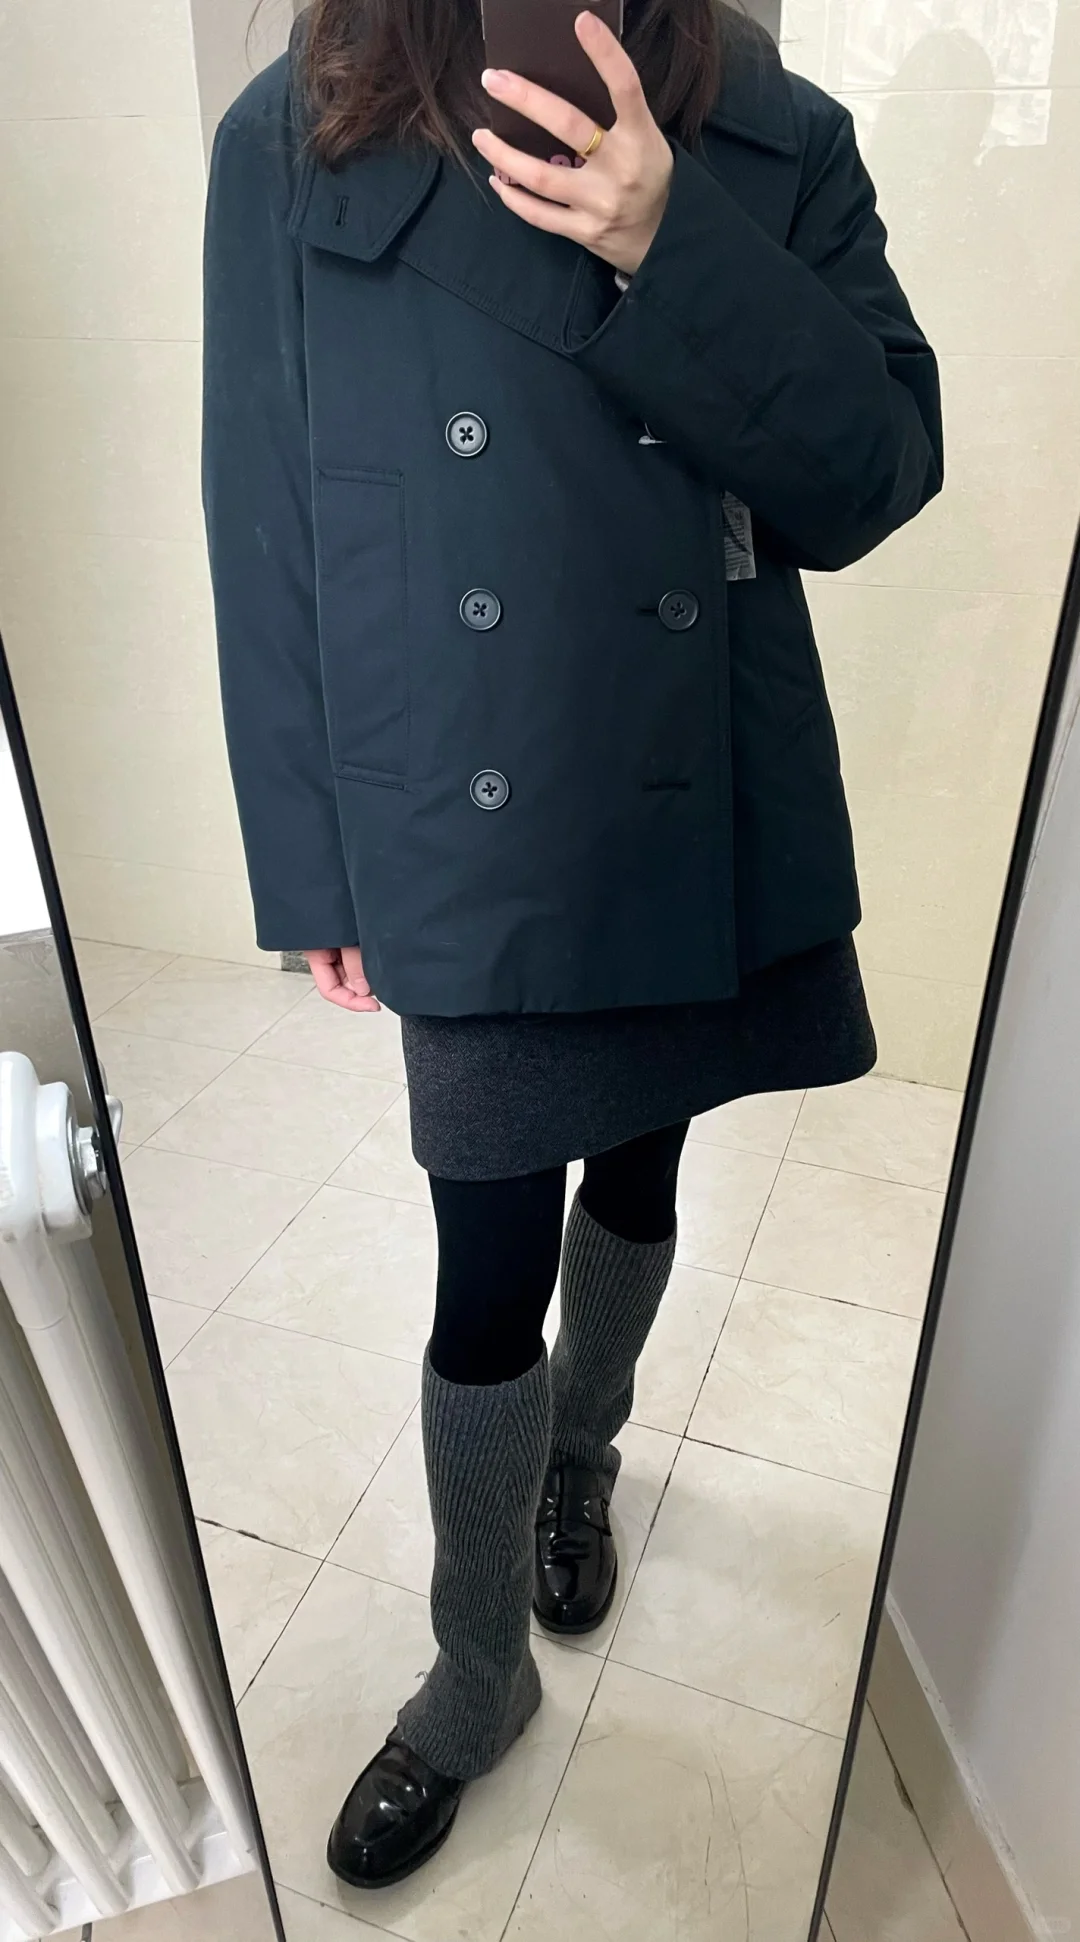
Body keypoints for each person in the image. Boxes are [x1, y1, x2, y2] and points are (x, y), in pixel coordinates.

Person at [202, 0, 942, 1887]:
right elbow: (265, 517)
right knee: (482, 1265)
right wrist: (311, 861)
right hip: (454, 802)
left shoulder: (770, 129)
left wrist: (669, 239)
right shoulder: (297, 128)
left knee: (642, 1162)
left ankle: (585, 1456)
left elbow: (874, 470)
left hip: (678, 785)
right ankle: (474, 1674)